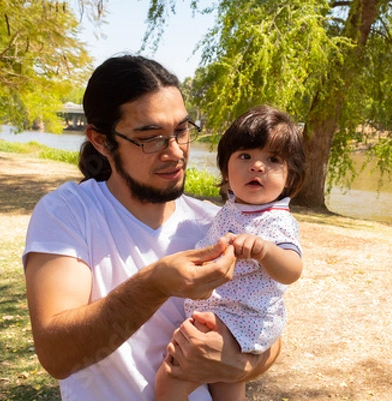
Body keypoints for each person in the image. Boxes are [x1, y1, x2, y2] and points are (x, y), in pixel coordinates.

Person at [23, 55, 280, 401]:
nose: (175, 152)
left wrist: (237, 364)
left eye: (181, 131)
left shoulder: (214, 221)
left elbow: (269, 330)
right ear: (101, 141)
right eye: (151, 138)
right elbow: (56, 355)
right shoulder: (68, 213)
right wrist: (155, 284)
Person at [156, 105, 306, 401]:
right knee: (225, 382)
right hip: (222, 315)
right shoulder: (232, 210)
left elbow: (293, 269)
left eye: (273, 159)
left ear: (289, 177)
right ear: (226, 169)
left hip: (243, 318)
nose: (257, 166)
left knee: (172, 377)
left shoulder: (277, 220)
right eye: (245, 156)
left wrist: (265, 251)